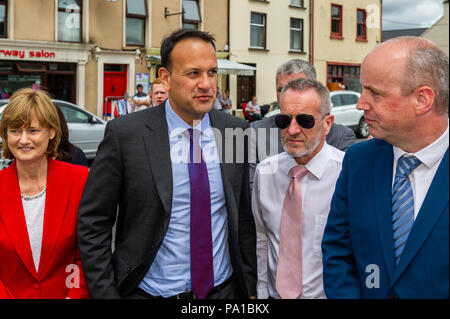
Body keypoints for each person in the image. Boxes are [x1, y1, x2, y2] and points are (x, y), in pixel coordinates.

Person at [77, 29, 257, 299]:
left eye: (212, 72)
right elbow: (94, 221)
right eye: (193, 73)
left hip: (223, 292)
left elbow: (241, 217)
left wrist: (249, 287)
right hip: (149, 292)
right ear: (165, 77)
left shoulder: (235, 131)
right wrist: (105, 293)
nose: (207, 84)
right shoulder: (126, 135)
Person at [322, 36, 449, 298]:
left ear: (422, 100)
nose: (360, 104)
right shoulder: (359, 161)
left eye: (375, 93)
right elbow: (337, 253)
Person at [252, 78, 343, 299]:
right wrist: (262, 292)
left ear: (327, 123)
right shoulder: (265, 173)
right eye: (284, 120)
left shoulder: (346, 174)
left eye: (304, 120)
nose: (292, 130)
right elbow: (262, 239)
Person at [0, 88, 90, 299]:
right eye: (15, 131)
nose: (23, 140)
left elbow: (87, 252)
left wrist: (73, 296)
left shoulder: (79, 180)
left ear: (51, 132)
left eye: (32, 130)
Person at [249, 59, 356, 193]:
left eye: (298, 87)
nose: (288, 94)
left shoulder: (340, 136)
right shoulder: (255, 131)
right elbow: (252, 190)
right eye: (281, 89)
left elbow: (347, 187)